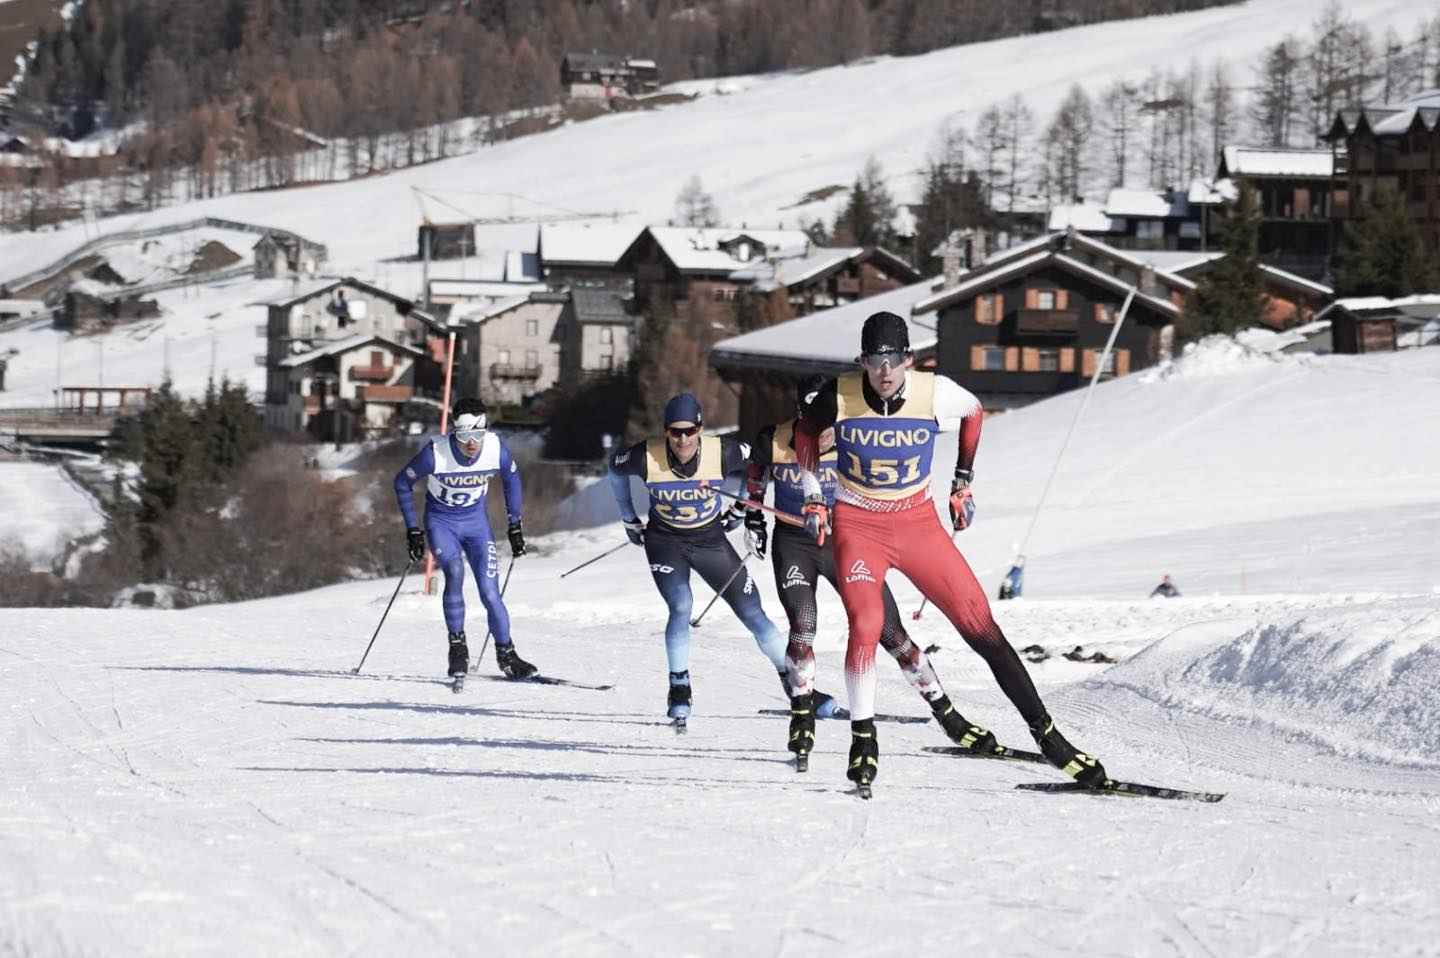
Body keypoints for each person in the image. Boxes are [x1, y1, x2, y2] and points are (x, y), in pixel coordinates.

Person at [794, 311, 1107, 791]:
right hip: (859, 526)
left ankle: (1048, 737)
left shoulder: (935, 392)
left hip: (917, 525)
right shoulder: (839, 395)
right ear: (862, 362)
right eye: (875, 360)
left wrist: (962, 481)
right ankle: (863, 739)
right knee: (867, 624)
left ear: (908, 359)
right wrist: (814, 493)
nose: (884, 370)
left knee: (981, 627)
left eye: (893, 359)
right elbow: (804, 433)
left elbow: (974, 411)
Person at [745, 375, 999, 763]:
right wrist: (752, 519)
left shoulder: (854, 437)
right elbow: (754, 473)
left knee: (893, 635)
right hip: (796, 544)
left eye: (831, 422)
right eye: (816, 420)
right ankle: (801, 715)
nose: (826, 432)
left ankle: (949, 715)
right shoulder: (775, 440)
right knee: (804, 623)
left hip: (848, 543)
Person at [608, 392, 822, 721]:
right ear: (666, 430)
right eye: (675, 432)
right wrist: (628, 517)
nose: (683, 440)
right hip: (665, 542)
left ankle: (797, 683)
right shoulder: (644, 456)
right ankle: (679, 687)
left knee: (753, 614)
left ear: (700, 429)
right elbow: (614, 469)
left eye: (690, 431)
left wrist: (741, 506)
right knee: (681, 606)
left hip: (710, 541)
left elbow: (756, 464)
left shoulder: (722, 451)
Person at [394, 398, 535, 681]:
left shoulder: (494, 448)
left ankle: (507, 656)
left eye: (478, 434)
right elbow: (401, 481)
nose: (472, 443)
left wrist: (515, 525)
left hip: (476, 525)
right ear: (454, 432)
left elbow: (512, 480)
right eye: (465, 435)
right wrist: (413, 530)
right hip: (441, 523)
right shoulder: (436, 453)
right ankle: (458, 648)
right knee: (454, 571)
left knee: (490, 592)